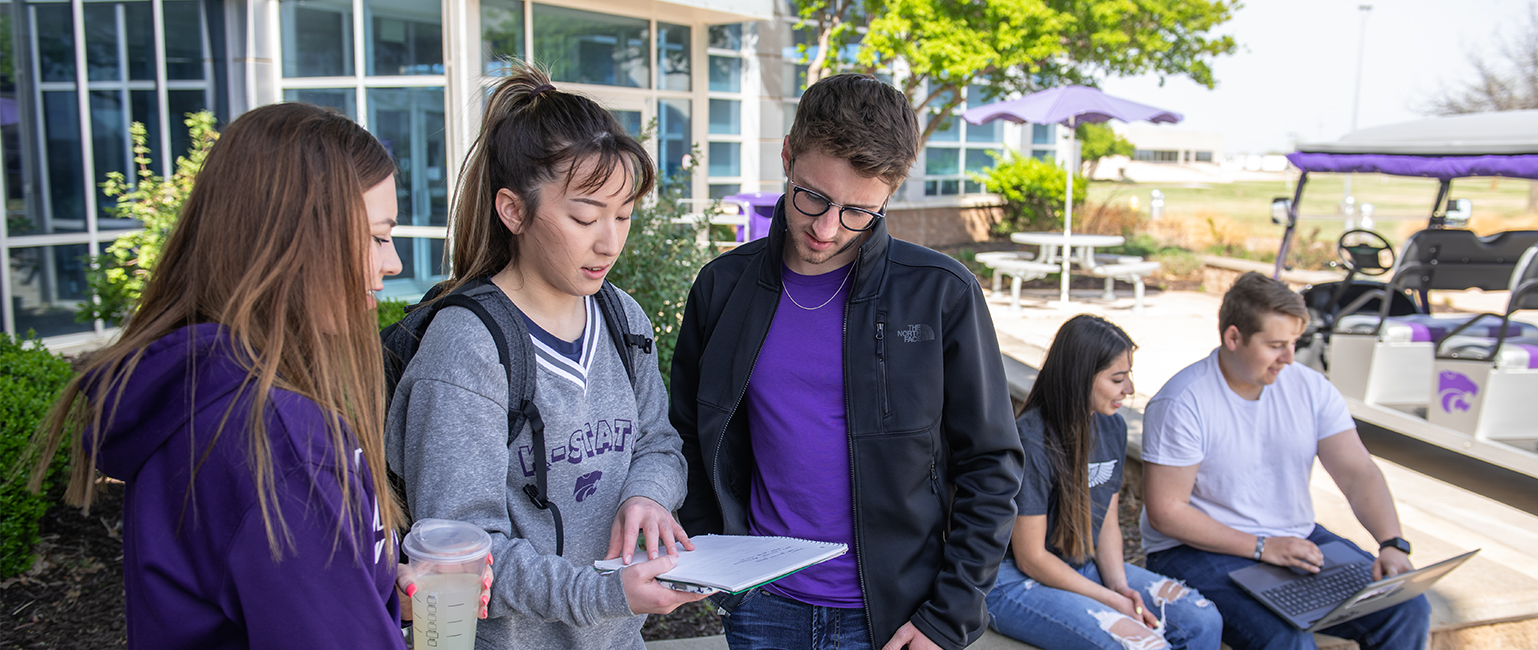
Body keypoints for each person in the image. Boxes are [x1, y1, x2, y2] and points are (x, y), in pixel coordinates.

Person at [27, 103, 419, 648]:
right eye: (378, 236)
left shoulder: (206, 393)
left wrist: (372, 591)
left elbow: (260, 590)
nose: (393, 262)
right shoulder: (277, 435)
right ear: (293, 241)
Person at [670, 73, 1024, 650]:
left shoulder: (941, 293)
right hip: (762, 603)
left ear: (891, 193)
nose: (827, 229)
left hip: (899, 617)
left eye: (860, 211)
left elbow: (991, 462)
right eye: (813, 196)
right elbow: (688, 431)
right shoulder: (721, 287)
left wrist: (950, 614)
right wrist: (714, 558)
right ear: (787, 154)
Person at [384, 63, 702, 650]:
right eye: (585, 217)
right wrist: (606, 594)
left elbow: (658, 441)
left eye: (623, 216)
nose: (609, 241)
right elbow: (461, 553)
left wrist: (647, 495)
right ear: (513, 210)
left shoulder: (621, 317)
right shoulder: (469, 348)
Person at [1140, 271, 1431, 650]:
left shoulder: (1310, 388)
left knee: (1405, 607)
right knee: (1286, 637)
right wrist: (1263, 547)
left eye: (1294, 343)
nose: (1289, 358)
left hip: (1293, 539)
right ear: (1233, 337)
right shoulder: (1183, 401)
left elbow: (1358, 473)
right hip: (1192, 551)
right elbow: (1167, 512)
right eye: (1276, 344)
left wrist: (1392, 543)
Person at [986, 315, 1222, 650]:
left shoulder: (1112, 427)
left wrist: (1120, 587)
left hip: (1080, 562)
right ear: (1081, 378)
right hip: (1014, 580)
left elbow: (1107, 521)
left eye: (1128, 376)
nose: (1129, 389)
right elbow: (1031, 558)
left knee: (1203, 619)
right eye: (1117, 378)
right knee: (1141, 645)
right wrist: (1110, 601)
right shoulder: (1032, 438)